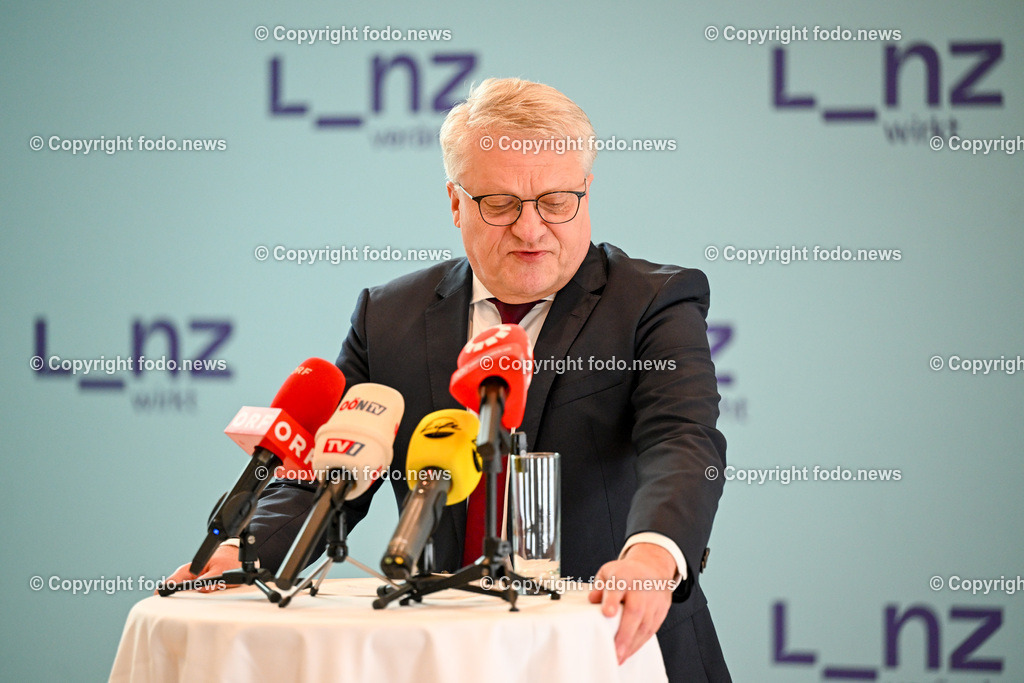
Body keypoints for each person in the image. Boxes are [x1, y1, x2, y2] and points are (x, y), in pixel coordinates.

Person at [167, 77, 730, 681]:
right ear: (456, 202)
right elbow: (329, 466)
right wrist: (242, 552)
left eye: (556, 201)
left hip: (609, 644)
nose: (531, 228)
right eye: (500, 203)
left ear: (587, 191)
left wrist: (651, 553)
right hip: (443, 650)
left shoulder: (654, 301)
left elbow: (681, 439)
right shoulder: (390, 316)